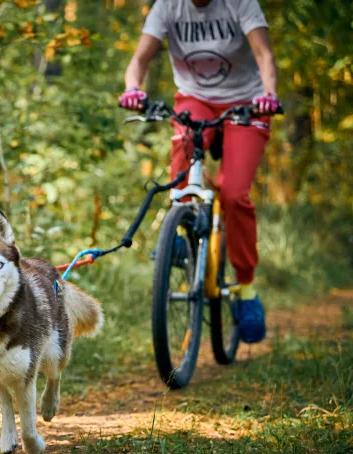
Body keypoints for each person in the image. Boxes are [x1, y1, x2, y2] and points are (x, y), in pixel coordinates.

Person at [119, 0, 281, 343]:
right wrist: (133, 87)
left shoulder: (240, 4)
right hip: (195, 99)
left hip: (247, 102)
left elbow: (264, 55)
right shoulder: (168, 6)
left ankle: (246, 288)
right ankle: (181, 233)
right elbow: (139, 60)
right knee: (180, 178)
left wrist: (269, 94)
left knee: (235, 194)